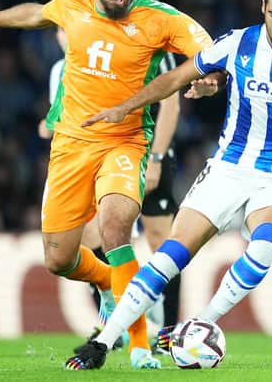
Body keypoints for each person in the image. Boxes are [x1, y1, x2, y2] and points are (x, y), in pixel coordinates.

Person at [69, 0, 272, 370]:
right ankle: (103, 342)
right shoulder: (237, 45)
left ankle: (199, 323)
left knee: (264, 248)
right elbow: (176, 78)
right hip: (227, 170)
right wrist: (125, 107)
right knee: (169, 256)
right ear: (263, 7)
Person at [0, 0, 216, 370]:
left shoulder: (161, 18)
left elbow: (207, 50)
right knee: (59, 258)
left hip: (124, 142)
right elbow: (37, 14)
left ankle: (140, 345)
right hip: (71, 147)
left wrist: (210, 78)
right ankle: (112, 286)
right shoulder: (73, 0)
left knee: (115, 226)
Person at [40, 28, 184, 344]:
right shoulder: (65, 67)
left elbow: (171, 105)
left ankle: (166, 332)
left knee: (162, 239)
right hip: (100, 154)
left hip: (146, 146)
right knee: (101, 236)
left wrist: (157, 157)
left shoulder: (149, 43)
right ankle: (114, 325)